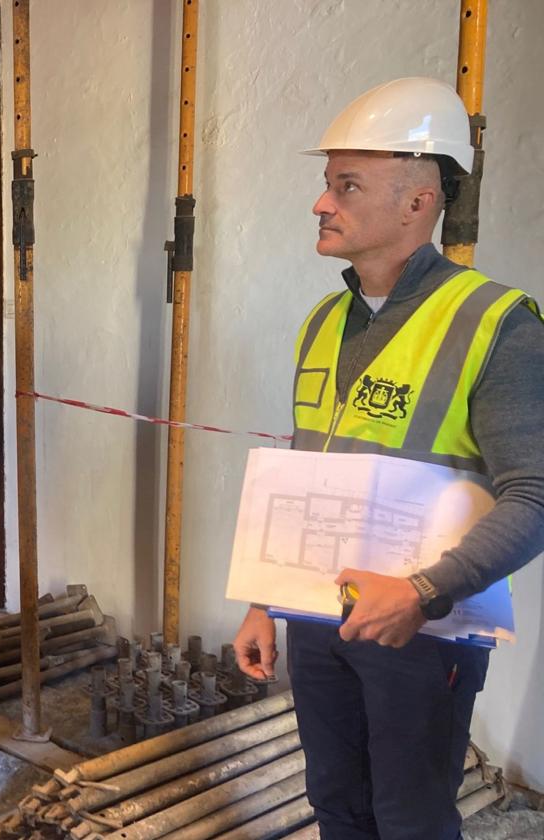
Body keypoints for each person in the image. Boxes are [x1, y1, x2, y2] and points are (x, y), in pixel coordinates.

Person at [232, 77, 544, 839]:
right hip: (318, 621)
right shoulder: (324, 322)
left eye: (347, 185)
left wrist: (422, 591)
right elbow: (309, 474)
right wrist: (264, 599)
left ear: (417, 203)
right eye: (325, 183)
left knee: (410, 818)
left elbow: (535, 496)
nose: (321, 203)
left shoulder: (496, 323)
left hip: (423, 628)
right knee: (336, 802)